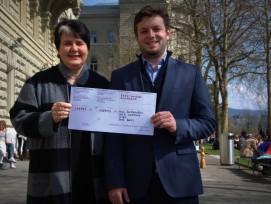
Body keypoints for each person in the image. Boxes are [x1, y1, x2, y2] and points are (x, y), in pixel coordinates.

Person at [104, 5, 216, 204]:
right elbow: (113, 137)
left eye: (156, 29)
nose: (151, 35)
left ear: (168, 33)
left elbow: (208, 122)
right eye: (144, 31)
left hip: (181, 182)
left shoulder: (191, 73)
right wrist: (115, 181)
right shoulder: (120, 77)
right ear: (137, 37)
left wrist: (178, 126)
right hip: (134, 185)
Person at [9, 19, 109, 204]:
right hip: (51, 181)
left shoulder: (102, 85)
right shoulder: (38, 82)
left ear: (87, 48)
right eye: (67, 43)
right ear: (58, 48)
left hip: (94, 183)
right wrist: (49, 118)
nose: (74, 49)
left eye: (79, 43)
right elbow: (18, 120)